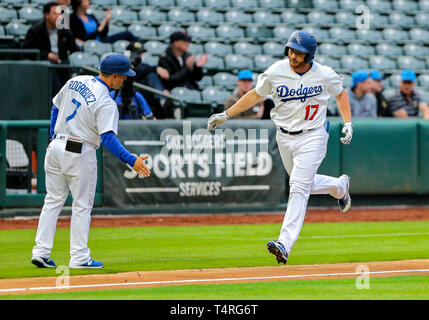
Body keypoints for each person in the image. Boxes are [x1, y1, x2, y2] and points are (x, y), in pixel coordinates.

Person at [207, 31, 353, 265]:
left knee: (297, 186)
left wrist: (347, 122)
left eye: (299, 52)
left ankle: (284, 242)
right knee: (303, 182)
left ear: (309, 54)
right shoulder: (276, 71)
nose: (293, 55)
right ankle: (339, 186)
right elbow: (255, 94)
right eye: (291, 50)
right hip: (284, 136)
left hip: (313, 135)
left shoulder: (324, 74)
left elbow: (341, 93)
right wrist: (227, 114)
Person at [31, 53, 150, 269]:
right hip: (79, 150)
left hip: (56, 146)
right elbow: (107, 138)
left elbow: (55, 107)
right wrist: (131, 160)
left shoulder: (75, 80)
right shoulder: (106, 102)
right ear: (113, 76)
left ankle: (41, 251)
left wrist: (53, 136)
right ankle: (79, 257)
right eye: (123, 76)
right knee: (82, 205)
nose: (124, 80)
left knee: (53, 200)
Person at [23, 1, 79, 96]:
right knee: (55, 82)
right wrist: (46, 55)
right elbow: (27, 50)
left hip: (62, 63)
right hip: (44, 64)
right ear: (46, 15)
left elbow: (75, 49)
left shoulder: (65, 30)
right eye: (55, 13)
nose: (58, 16)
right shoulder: (35, 30)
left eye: (60, 14)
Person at [128, 41, 169, 119]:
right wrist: (156, 68)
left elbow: (144, 70)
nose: (140, 56)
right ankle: (162, 100)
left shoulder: (144, 66)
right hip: (132, 91)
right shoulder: (126, 64)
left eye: (140, 53)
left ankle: (162, 101)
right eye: (137, 53)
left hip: (146, 93)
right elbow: (135, 73)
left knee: (152, 76)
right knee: (152, 75)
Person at [70, 0, 138, 47]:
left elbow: (103, 34)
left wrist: (107, 22)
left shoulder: (90, 16)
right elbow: (84, 38)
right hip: (91, 44)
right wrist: (103, 23)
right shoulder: (74, 19)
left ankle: (141, 48)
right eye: (86, 0)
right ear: (78, 4)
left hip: (101, 41)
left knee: (127, 34)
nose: (88, 1)